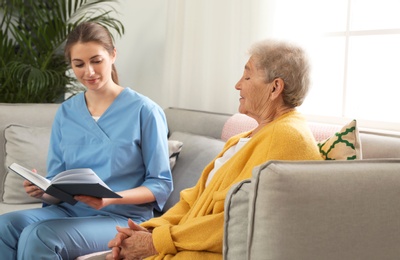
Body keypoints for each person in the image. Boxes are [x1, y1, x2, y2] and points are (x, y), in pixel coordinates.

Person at [101, 39, 324, 260]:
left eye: (247, 76)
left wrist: (157, 242)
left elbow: (243, 221)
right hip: (185, 243)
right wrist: (148, 231)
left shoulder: (288, 137)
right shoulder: (241, 139)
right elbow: (192, 200)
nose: (238, 85)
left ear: (275, 88)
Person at [0, 22, 173, 259]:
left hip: (120, 216)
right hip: (69, 210)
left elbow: (161, 184)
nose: (88, 72)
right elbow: (57, 179)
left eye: (96, 60)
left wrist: (110, 198)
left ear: (113, 55)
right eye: (78, 64)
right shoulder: (66, 112)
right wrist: (42, 190)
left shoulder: (145, 110)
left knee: (40, 235)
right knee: (4, 226)